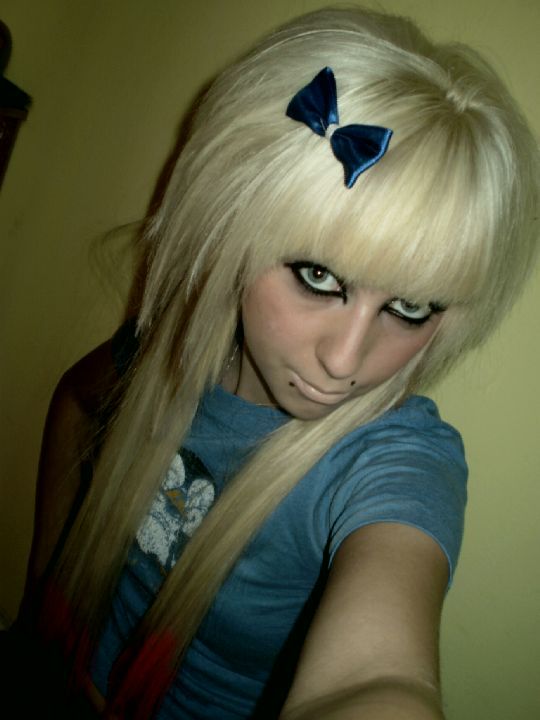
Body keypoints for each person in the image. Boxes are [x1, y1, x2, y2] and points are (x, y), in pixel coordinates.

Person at [15, 6, 538, 720]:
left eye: (409, 307)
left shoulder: (396, 462)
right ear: (234, 226)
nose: (345, 361)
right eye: (318, 276)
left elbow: (378, 681)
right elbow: (78, 401)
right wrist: (43, 592)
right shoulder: (172, 346)